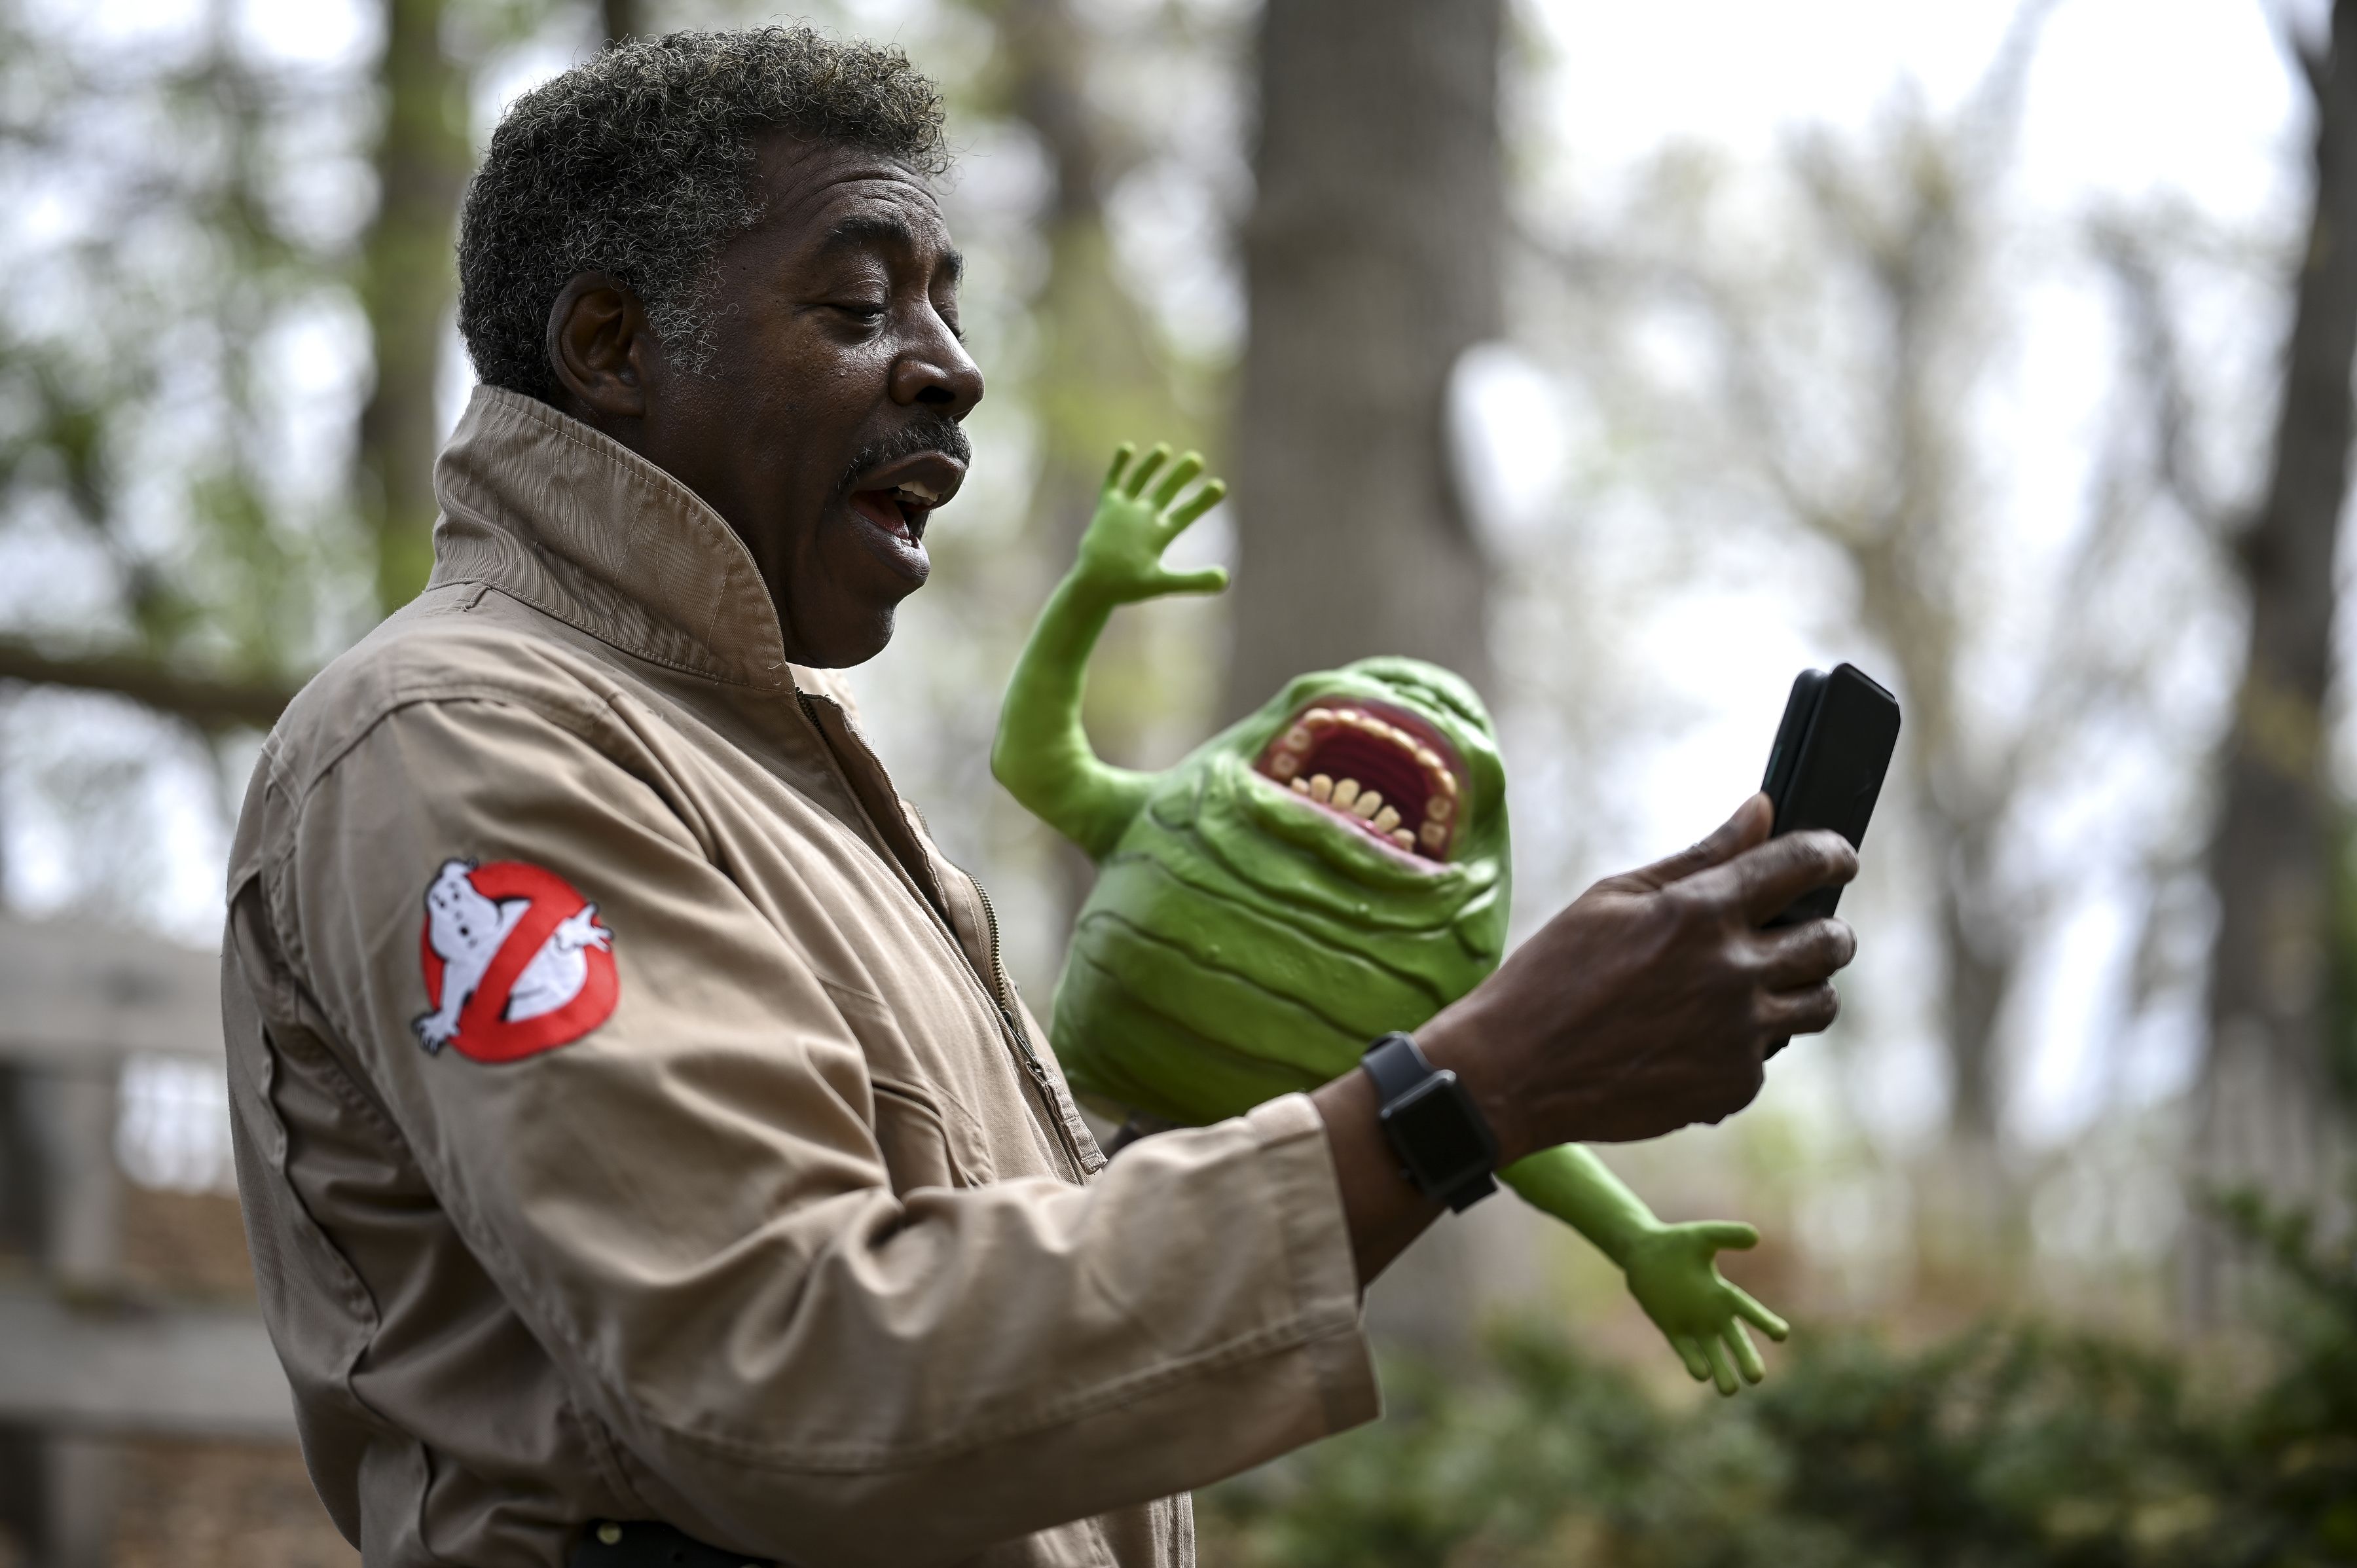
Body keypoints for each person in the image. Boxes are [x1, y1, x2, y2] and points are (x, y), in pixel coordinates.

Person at [219, 27, 1857, 1568]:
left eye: (947, 303)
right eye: (862, 304)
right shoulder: (460, 743)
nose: (956, 371)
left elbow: (984, 1323)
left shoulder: (798, 786)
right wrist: (1455, 1097)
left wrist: (1401, 1068)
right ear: (612, 346)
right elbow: (784, 1376)